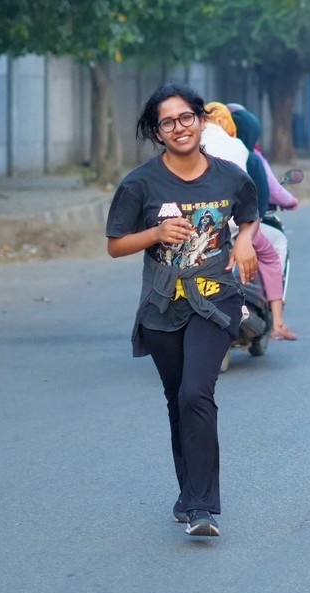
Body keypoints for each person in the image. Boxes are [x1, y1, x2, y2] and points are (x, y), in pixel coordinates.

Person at [106, 85, 260, 539]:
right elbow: (116, 245)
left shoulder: (231, 176)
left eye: (186, 117)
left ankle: (203, 507)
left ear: (201, 121)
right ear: (157, 133)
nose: (179, 128)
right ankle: (188, 493)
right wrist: (155, 234)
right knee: (178, 401)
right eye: (167, 122)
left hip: (216, 300)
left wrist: (245, 240)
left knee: (196, 394)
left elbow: (250, 214)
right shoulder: (140, 184)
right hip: (162, 305)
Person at [229, 105, 301, 341]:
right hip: (237, 227)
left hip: (201, 226)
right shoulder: (251, 157)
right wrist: (291, 202)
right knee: (275, 246)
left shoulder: (200, 153)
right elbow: (271, 192)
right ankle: (277, 321)